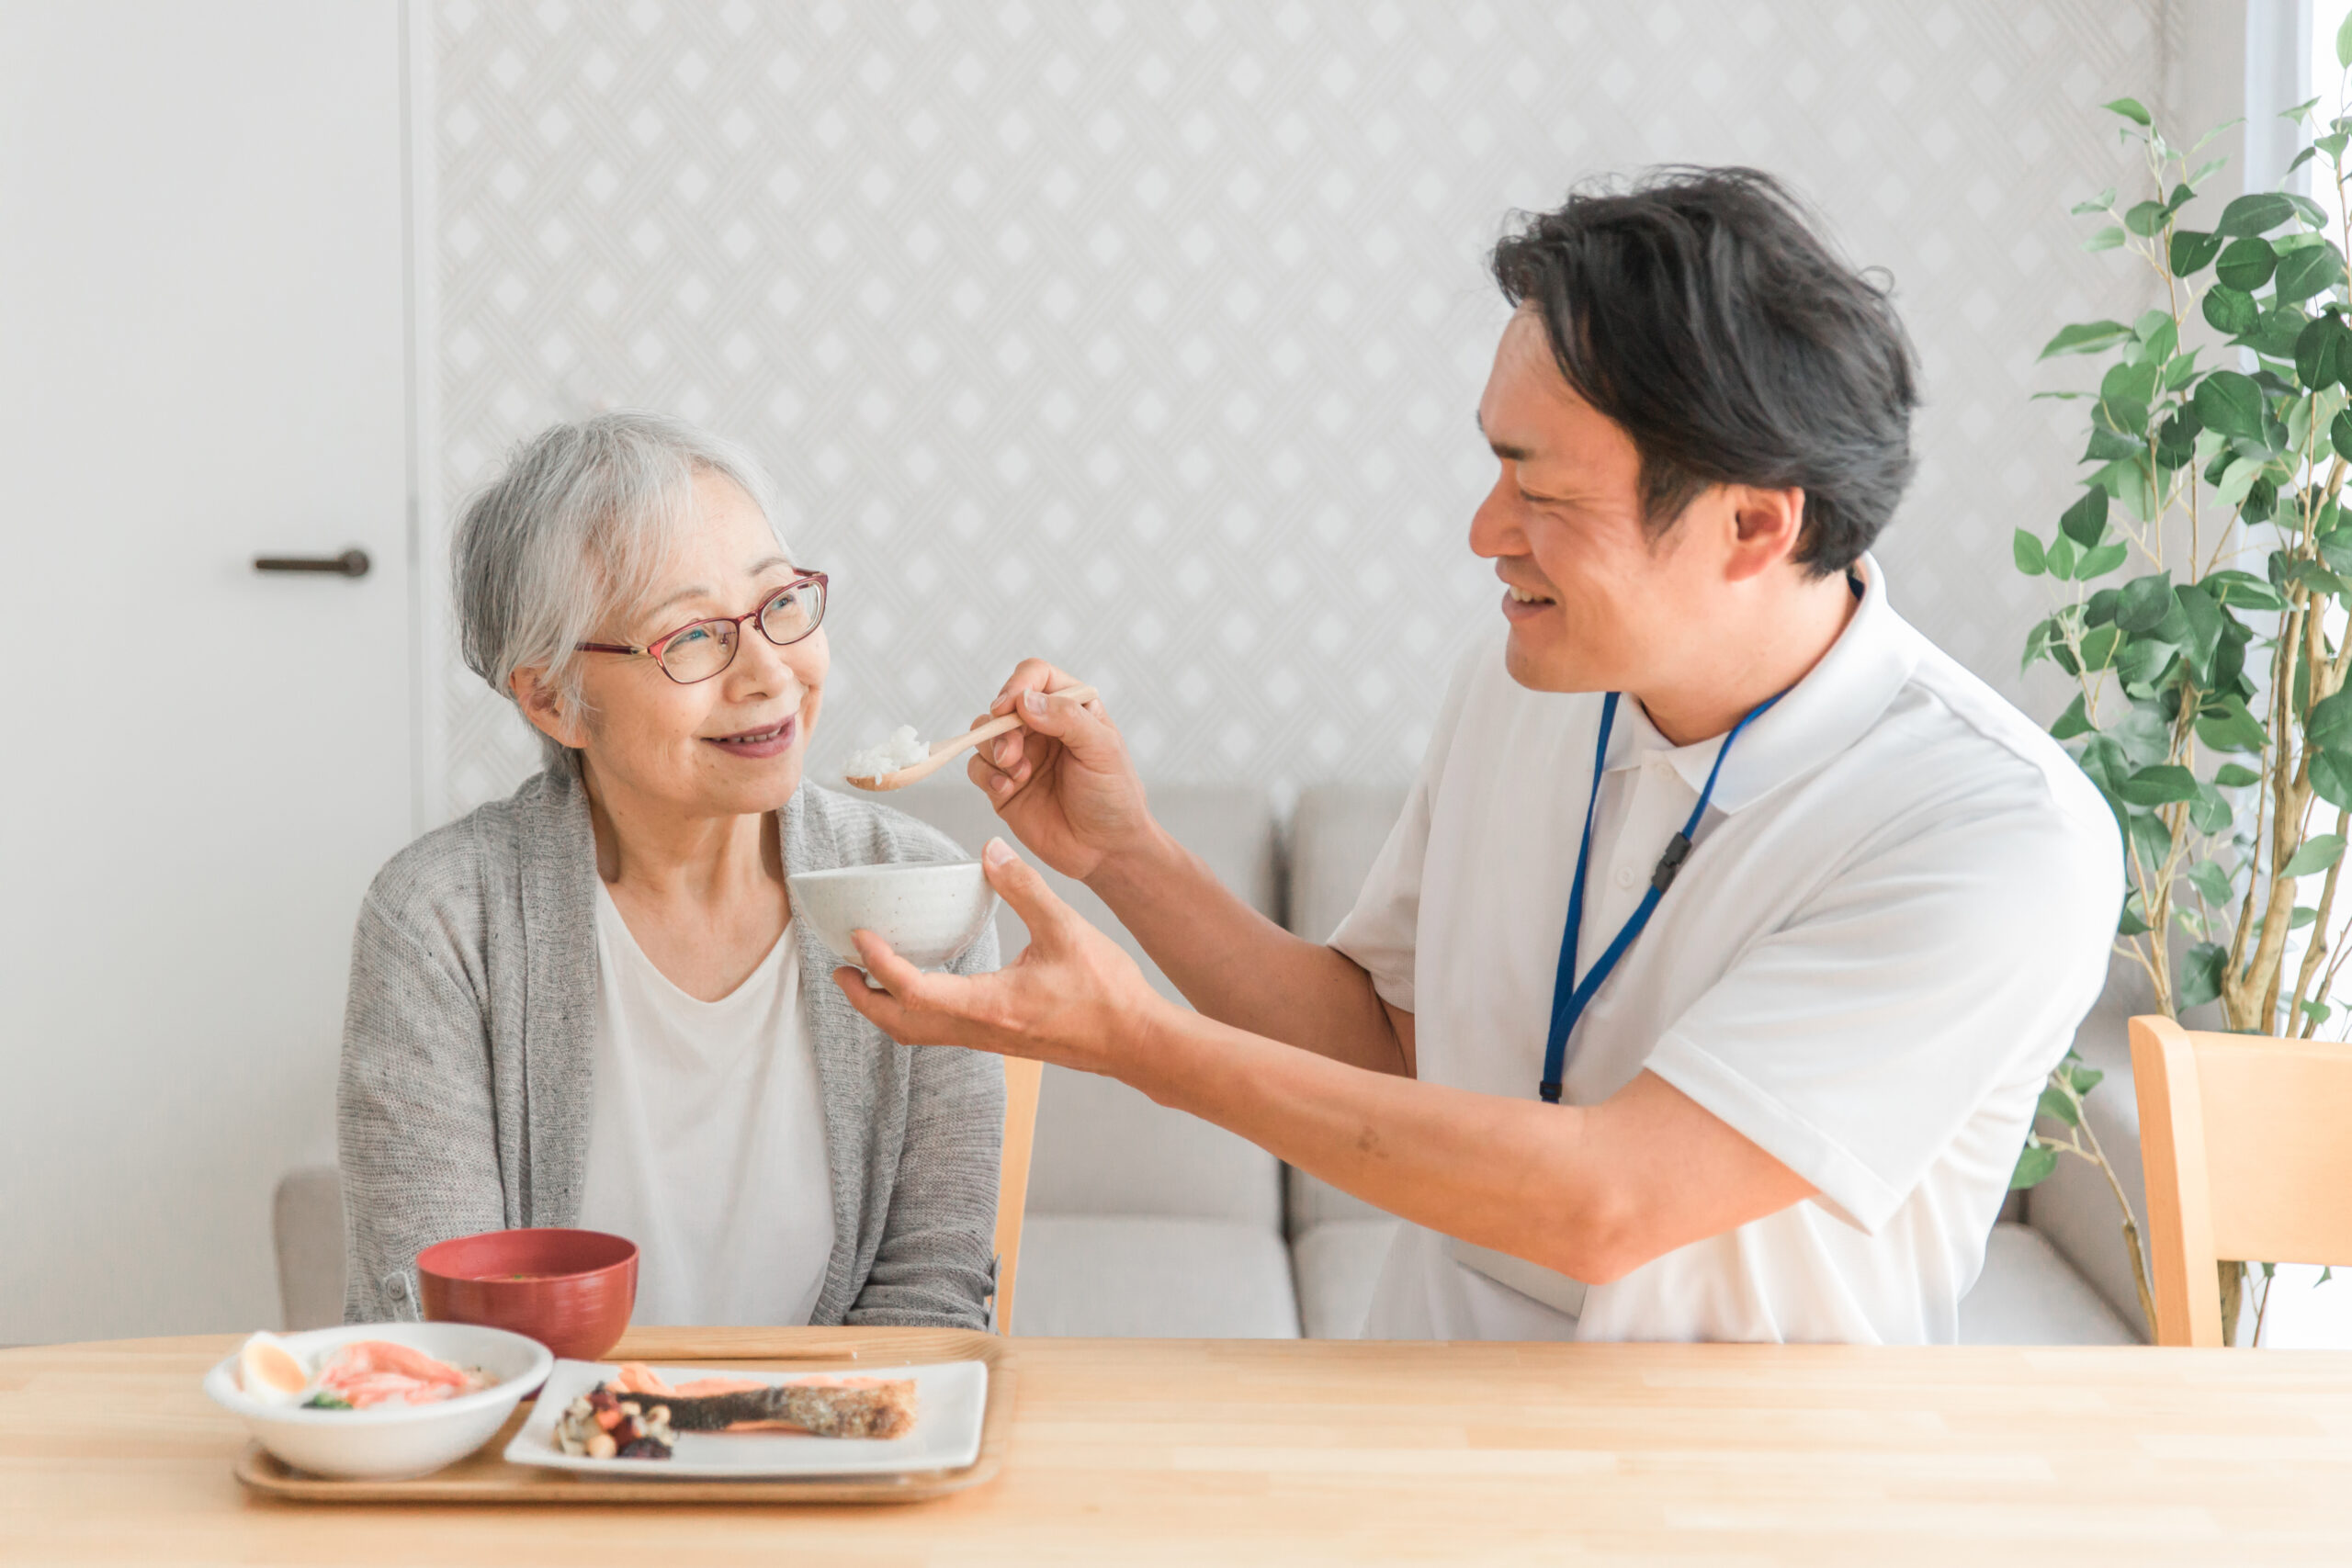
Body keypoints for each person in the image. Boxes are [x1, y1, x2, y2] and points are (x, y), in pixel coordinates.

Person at [834, 168, 2122, 1345]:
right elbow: (1389, 1043)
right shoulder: (1528, 683)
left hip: (1737, 1482)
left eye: (1541, 492)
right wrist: (1125, 855)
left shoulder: (1995, 833)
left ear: (1751, 524)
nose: (1482, 531)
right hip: (1420, 1423)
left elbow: (1610, 1203)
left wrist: (1138, 1045)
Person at [338, 412, 1002, 1329]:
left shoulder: (919, 893)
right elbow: (444, 1331)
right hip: (541, 1426)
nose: (769, 672)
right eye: (690, 636)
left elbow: (930, 1302)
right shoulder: (443, 922)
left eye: (779, 603)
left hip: (843, 1425)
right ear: (553, 698)